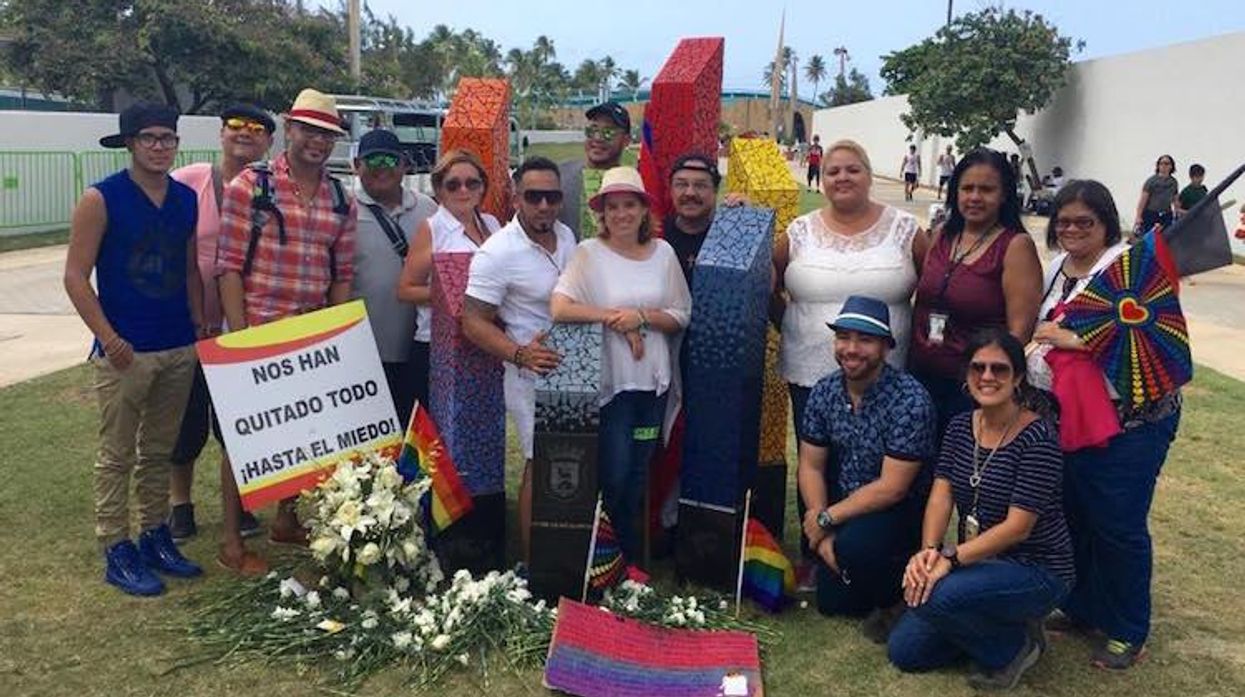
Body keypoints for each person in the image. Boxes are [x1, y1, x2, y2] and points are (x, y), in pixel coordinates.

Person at [1029, 180, 1181, 669]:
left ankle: (1128, 627)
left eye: (1084, 222)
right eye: (1064, 221)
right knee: (1076, 515)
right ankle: (1083, 607)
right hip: (1070, 418)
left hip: (1130, 422)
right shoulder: (1056, 269)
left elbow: (1151, 335)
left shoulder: (1129, 268)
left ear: (1107, 224)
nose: (1072, 230)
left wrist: (1071, 339)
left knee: (1118, 525)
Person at [63, 102, 204, 596]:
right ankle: (115, 546)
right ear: (129, 143)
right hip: (126, 348)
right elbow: (76, 278)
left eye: (168, 138)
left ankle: (154, 533)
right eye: (149, 138)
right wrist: (108, 337)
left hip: (176, 343)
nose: (160, 147)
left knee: (159, 451)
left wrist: (198, 325)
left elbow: (189, 270)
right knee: (117, 452)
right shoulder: (101, 199)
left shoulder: (186, 198)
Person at [774, 139, 928, 588]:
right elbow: (769, 285)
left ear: (869, 172)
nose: (842, 177)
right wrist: (794, 325)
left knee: (877, 466)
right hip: (808, 368)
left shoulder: (905, 229)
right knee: (816, 459)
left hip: (884, 377)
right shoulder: (799, 231)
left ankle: (875, 553)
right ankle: (817, 552)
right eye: (834, 171)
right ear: (821, 178)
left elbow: (932, 290)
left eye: (853, 169)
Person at [216, 88, 357, 575]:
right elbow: (228, 266)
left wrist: (335, 337)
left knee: (304, 430)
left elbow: (341, 274)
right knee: (245, 441)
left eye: (327, 134)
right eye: (310, 130)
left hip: (310, 332)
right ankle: (232, 542)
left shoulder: (342, 198)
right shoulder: (251, 187)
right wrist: (241, 339)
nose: (318, 141)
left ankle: (287, 519)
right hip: (258, 325)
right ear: (290, 129)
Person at [888, 329, 1074, 691]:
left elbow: (1018, 527)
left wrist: (950, 560)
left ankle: (1015, 645)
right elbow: (941, 495)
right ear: (966, 375)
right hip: (980, 563)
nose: (987, 377)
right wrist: (929, 552)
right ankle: (990, 621)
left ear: (1018, 378)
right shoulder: (959, 427)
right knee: (905, 652)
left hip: (1036, 568)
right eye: (978, 368)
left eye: (999, 369)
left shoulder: (1038, 439)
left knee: (936, 598)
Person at [551, 166, 692, 562]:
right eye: (613, 207)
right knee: (613, 473)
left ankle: (629, 560)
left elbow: (682, 313)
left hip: (651, 388)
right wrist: (616, 318)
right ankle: (607, 561)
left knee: (637, 473)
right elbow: (560, 307)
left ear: (644, 210)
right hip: (614, 388)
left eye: (630, 205)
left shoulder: (663, 254)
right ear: (603, 213)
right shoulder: (588, 254)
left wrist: (642, 318)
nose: (622, 214)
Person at [166, 103, 274, 544]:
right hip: (191, 325)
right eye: (236, 126)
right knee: (185, 421)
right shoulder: (189, 181)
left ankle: (241, 502)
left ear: (269, 141)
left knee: (239, 423)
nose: (244, 133)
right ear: (221, 134)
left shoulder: (271, 190)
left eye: (256, 129)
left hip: (244, 327)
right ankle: (180, 505)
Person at [798, 296, 936, 640]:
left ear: (886, 347)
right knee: (833, 604)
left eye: (865, 340)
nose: (851, 349)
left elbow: (893, 487)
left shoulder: (910, 399)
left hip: (897, 509)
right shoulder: (824, 390)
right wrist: (818, 519)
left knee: (855, 549)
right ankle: (865, 579)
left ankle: (900, 591)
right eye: (843, 337)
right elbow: (811, 466)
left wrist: (827, 521)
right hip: (845, 504)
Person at [462, 156, 576, 564]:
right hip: (529, 374)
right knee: (537, 461)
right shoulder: (498, 253)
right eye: (534, 196)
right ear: (515, 198)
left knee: (566, 461)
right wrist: (520, 354)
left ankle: (566, 552)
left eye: (552, 196)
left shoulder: (566, 236)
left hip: (574, 370)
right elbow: (472, 322)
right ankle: (533, 563)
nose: (544, 205)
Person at [910, 148, 1042, 437]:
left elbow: (1019, 334)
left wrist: (987, 386)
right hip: (919, 378)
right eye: (967, 188)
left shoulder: (1015, 246)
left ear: (1005, 194)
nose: (974, 197)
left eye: (986, 189)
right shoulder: (943, 235)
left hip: (971, 390)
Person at [397, 148, 499, 415]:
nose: (463, 190)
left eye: (472, 183)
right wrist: (451, 295)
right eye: (453, 184)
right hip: (436, 347)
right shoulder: (433, 228)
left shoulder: (492, 225)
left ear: (482, 188)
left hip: (482, 343)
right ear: (440, 191)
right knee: (441, 434)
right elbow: (405, 290)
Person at [349, 129, 438, 427]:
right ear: (356, 166)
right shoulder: (345, 211)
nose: (381, 167)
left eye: (390, 159)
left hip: (419, 349)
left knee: (415, 436)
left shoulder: (428, 208)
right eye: (371, 160)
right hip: (365, 352)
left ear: (404, 165)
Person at [558, 101, 632, 237]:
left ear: (626, 140)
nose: (597, 138)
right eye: (592, 130)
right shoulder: (559, 175)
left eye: (608, 132)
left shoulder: (631, 184)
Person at [1133, 154, 1179, 235]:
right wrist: (1138, 216)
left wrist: (1177, 213)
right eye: (1161, 163)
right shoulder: (1151, 181)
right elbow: (1143, 200)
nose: (1164, 166)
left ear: (1171, 166)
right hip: (1151, 214)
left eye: (1167, 163)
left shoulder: (1173, 182)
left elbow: (1175, 199)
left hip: (1166, 214)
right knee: (1149, 237)